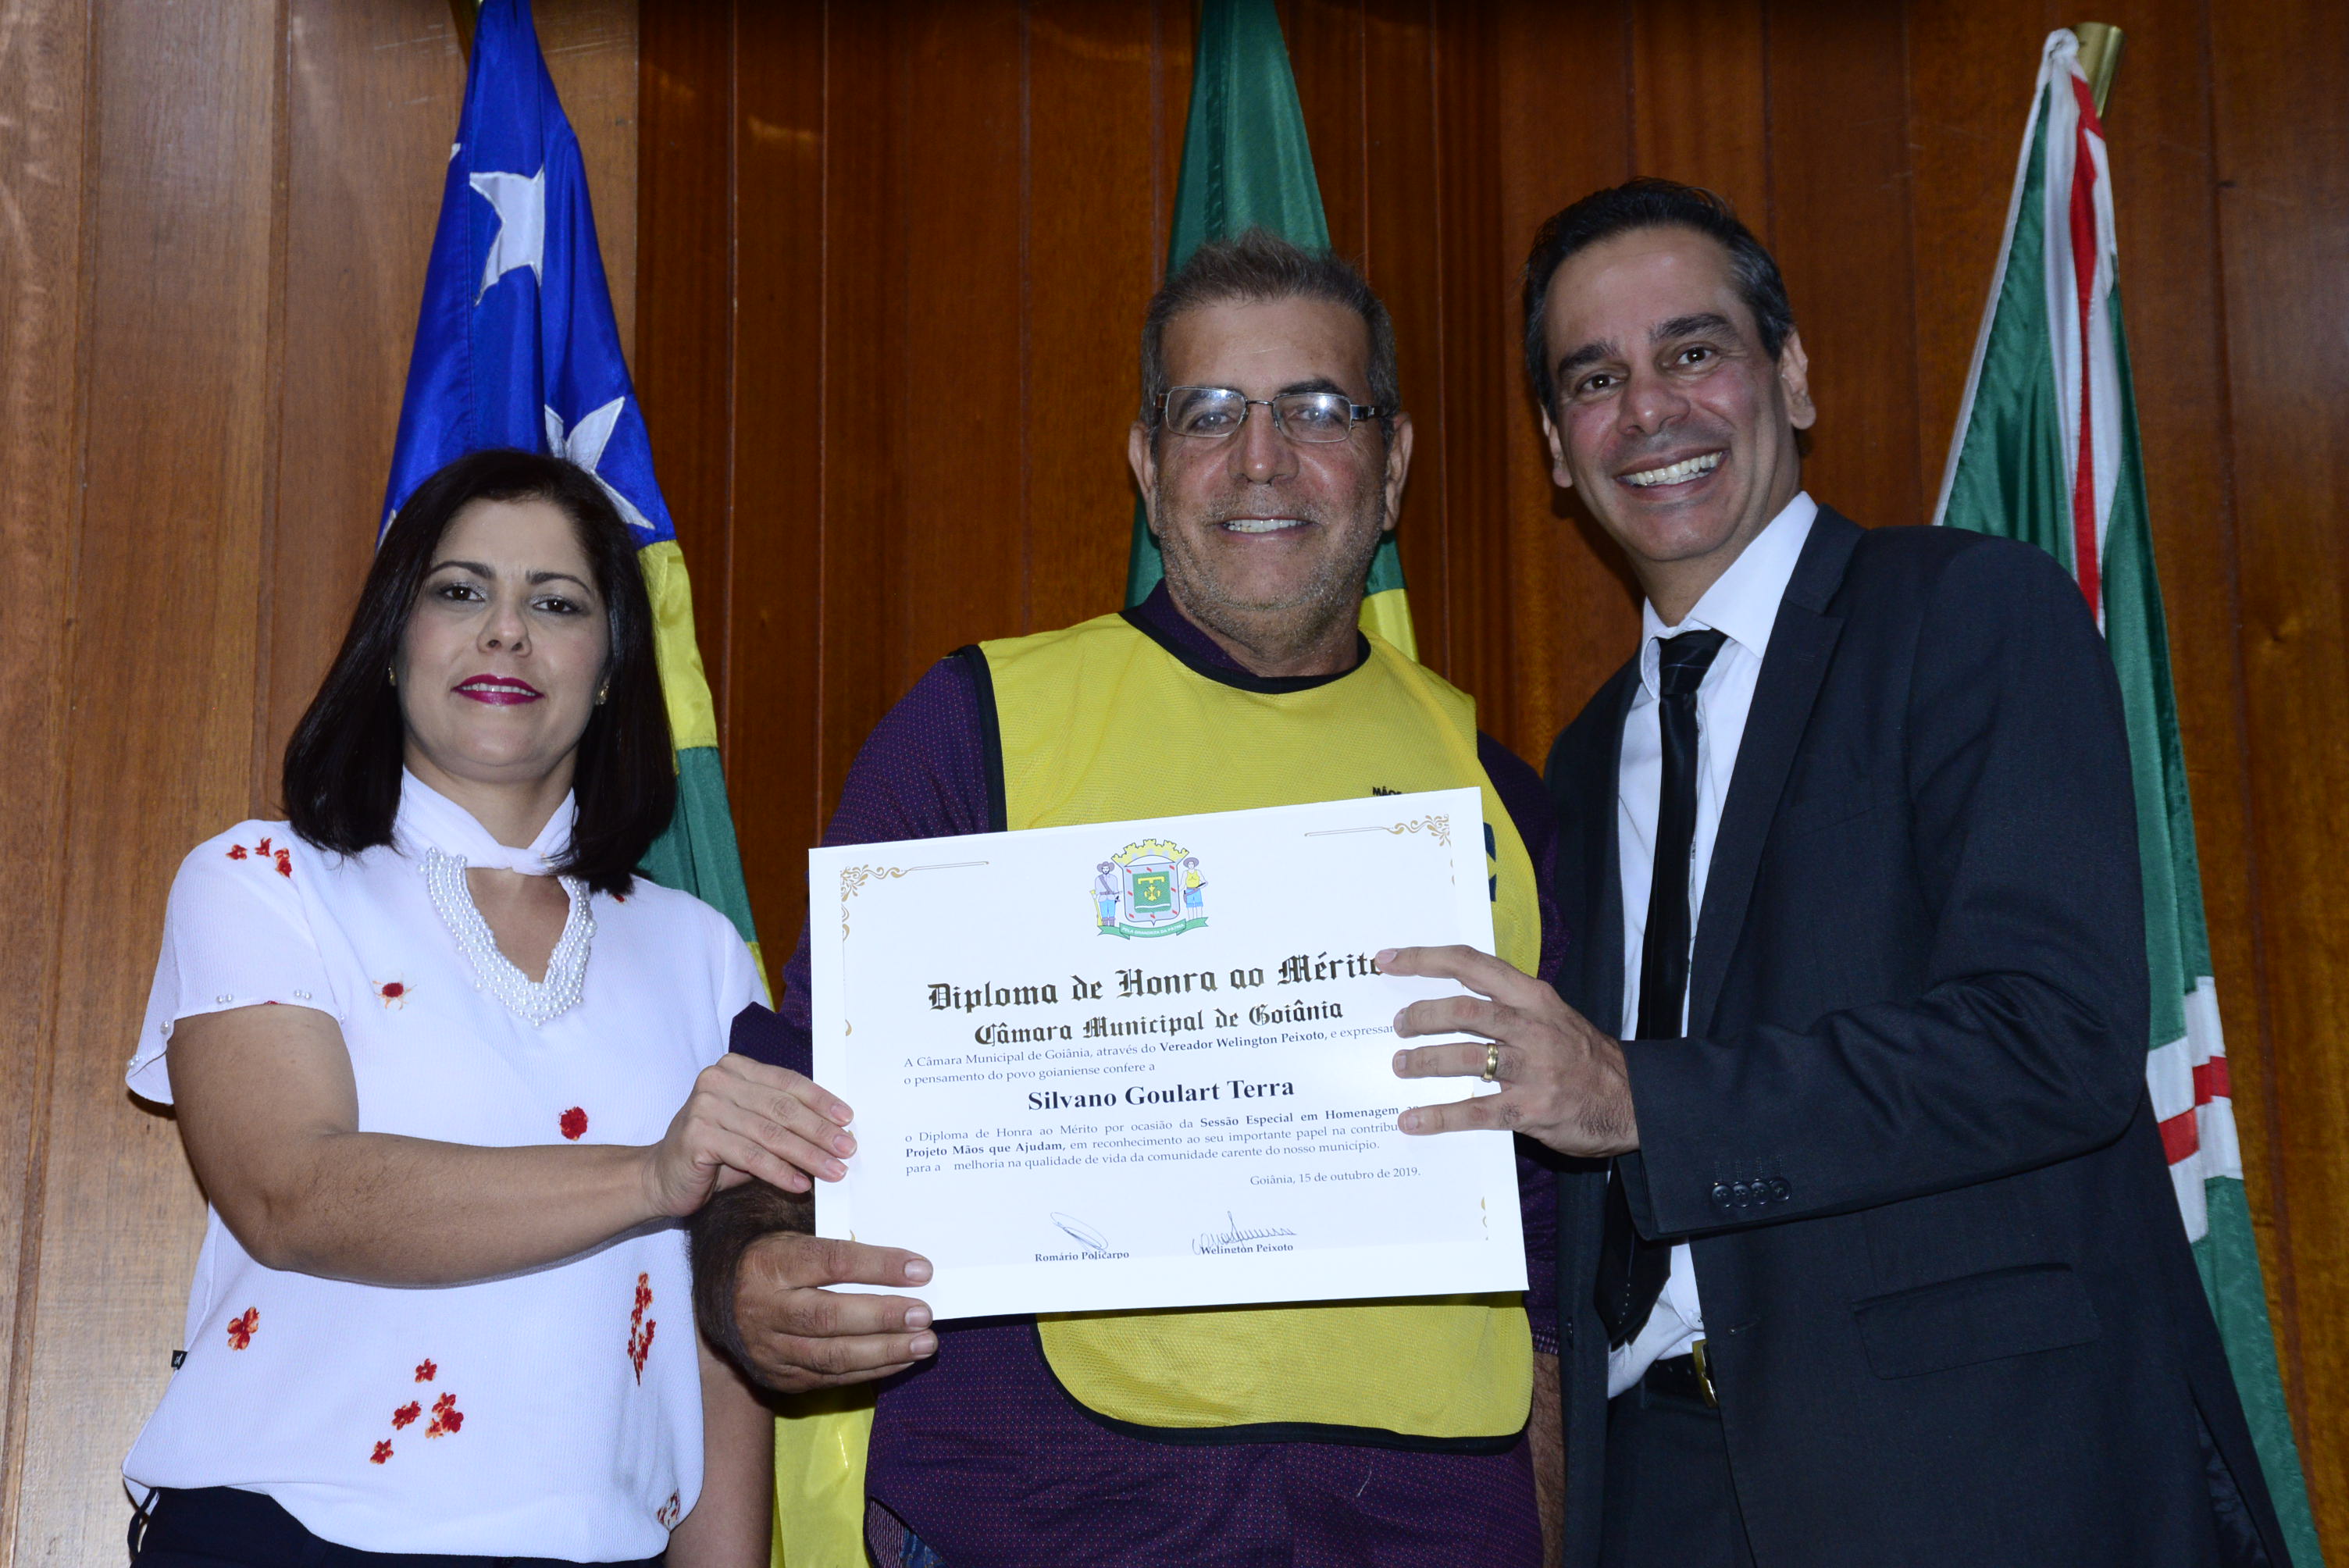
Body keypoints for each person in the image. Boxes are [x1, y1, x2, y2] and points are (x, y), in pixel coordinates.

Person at [1378, 179, 2294, 1566]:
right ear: (1558, 450)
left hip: (1965, 1481)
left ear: (1792, 377)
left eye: (1693, 351)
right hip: (1659, 1493)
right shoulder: (1571, 766)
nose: (1650, 410)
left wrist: (1637, 1098)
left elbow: (2055, 1040)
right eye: (1595, 380)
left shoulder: (1971, 616)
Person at [691, 231, 1567, 1567]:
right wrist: (747, 1273)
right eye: (1209, 413)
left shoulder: (1500, 800)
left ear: (1392, 467)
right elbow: (796, 1098)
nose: (1261, 458)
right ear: (1149, 467)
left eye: (1316, 410)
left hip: (1423, 1525)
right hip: (1044, 1521)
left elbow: (1547, 1232)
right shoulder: (977, 727)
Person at [123, 450, 848, 1566]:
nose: (506, 632)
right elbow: (288, 1192)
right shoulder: (264, 879)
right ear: (393, 642)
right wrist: (652, 1176)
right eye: (461, 592)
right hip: (289, 1532)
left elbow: (718, 1340)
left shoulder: (702, 953)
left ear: (609, 667)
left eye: (556, 604)